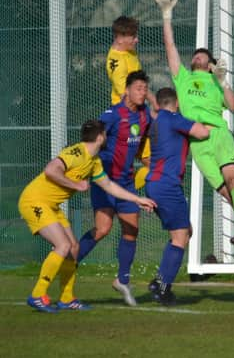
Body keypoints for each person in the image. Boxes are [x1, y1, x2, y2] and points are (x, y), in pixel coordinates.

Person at [153, 0, 234, 266]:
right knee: (230, 197)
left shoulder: (215, 80)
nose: (197, 56)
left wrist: (223, 82)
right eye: (195, 55)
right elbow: (170, 48)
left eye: (202, 55)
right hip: (198, 143)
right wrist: (166, 15)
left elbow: (233, 106)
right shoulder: (183, 80)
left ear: (210, 65)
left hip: (218, 134)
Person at [18, 120, 156, 313]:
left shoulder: (94, 161)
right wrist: (76, 185)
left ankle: (67, 299)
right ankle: (37, 295)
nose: (107, 137)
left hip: (51, 205)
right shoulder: (76, 153)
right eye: (105, 134)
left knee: (74, 249)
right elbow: (50, 170)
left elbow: (109, 186)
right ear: (100, 137)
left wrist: (137, 199)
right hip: (34, 201)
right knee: (63, 245)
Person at [76, 71, 153, 306]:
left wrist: (149, 161)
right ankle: (68, 260)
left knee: (132, 229)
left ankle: (122, 280)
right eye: (138, 88)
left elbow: (140, 144)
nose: (142, 92)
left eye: (145, 88)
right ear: (127, 90)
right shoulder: (111, 115)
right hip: (105, 181)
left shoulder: (145, 116)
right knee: (103, 229)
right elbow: (90, 140)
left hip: (127, 182)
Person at [145, 87, 210, 305]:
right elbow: (203, 132)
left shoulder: (157, 121)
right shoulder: (173, 118)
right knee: (180, 237)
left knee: (184, 232)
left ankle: (161, 281)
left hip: (155, 183)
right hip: (166, 185)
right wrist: (211, 121)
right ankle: (162, 286)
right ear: (177, 102)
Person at [105, 15, 156, 190]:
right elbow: (127, 97)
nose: (137, 40)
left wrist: (154, 104)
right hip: (127, 117)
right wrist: (147, 114)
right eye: (133, 37)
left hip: (140, 111)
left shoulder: (129, 51)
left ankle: (127, 189)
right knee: (151, 164)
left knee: (155, 163)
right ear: (120, 38)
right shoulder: (116, 64)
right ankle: (125, 190)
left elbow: (140, 84)